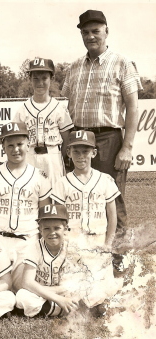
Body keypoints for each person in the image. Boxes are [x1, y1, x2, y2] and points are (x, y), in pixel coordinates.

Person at [61, 10, 142, 268]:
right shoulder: (74, 66)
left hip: (108, 138)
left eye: (95, 30)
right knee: (78, 198)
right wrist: (67, 143)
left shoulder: (121, 62)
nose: (90, 36)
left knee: (111, 199)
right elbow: (66, 106)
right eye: (85, 32)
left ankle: (119, 262)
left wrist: (127, 147)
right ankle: (83, 260)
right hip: (79, 136)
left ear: (106, 31)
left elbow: (133, 107)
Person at [51, 130, 122, 315]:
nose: (81, 156)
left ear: (94, 153)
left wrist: (108, 243)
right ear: (69, 153)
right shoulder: (63, 182)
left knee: (102, 292)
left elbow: (112, 216)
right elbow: (58, 218)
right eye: (76, 151)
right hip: (73, 241)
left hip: (98, 240)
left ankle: (96, 301)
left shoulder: (105, 180)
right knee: (71, 288)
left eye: (85, 151)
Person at [0, 122, 52, 291]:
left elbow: (45, 216)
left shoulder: (39, 176)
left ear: (28, 144)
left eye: (19, 144)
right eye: (10, 145)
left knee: (23, 290)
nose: (15, 149)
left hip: (28, 241)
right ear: (3, 147)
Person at [12, 58, 73, 188]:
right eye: (35, 78)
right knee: (29, 193)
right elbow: (16, 139)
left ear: (51, 78)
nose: (40, 83)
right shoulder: (23, 110)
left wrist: (58, 156)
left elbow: (67, 140)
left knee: (55, 196)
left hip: (52, 156)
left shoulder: (58, 108)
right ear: (29, 79)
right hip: (30, 155)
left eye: (44, 78)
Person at [15, 204, 81, 318]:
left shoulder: (74, 248)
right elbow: (26, 282)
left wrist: (63, 293)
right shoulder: (34, 247)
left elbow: (78, 282)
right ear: (40, 229)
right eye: (46, 228)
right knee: (22, 296)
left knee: (91, 293)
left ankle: (49, 309)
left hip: (64, 291)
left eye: (57, 228)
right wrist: (58, 299)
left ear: (65, 229)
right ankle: (63, 309)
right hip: (41, 293)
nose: (52, 232)